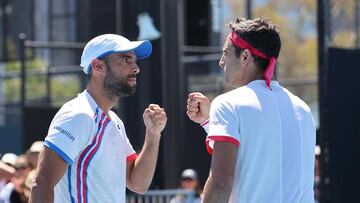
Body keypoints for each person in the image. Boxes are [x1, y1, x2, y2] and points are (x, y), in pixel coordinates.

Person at [186, 17, 316, 203]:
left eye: (225, 53)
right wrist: (210, 121)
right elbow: (262, 151)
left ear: (245, 57)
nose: (221, 62)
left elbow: (221, 183)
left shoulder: (227, 104)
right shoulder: (303, 109)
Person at [29, 34, 167, 203]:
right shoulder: (78, 115)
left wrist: (153, 135)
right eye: (125, 60)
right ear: (98, 66)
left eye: (134, 60)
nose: (136, 68)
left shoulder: (115, 121)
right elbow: (41, 184)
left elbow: (137, 183)